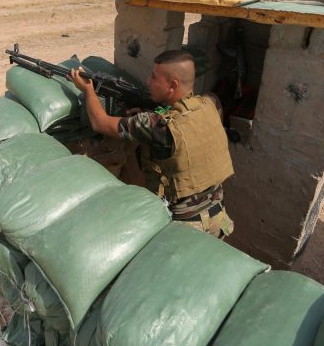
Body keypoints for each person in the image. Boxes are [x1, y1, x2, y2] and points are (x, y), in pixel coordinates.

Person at [69, 50, 235, 239]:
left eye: (154, 77)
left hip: (185, 229)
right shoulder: (209, 104)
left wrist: (88, 90)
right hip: (218, 218)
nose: (148, 82)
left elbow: (100, 122)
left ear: (172, 85)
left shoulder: (159, 126)